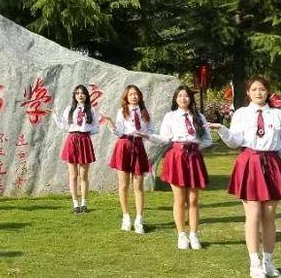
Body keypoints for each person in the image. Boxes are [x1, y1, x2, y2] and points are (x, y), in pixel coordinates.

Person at [209, 76, 281, 278]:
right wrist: (222, 130)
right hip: (249, 163)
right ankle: (254, 263)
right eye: (254, 89)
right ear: (248, 93)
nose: (258, 93)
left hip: (272, 164)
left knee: (269, 215)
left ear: (268, 92)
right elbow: (235, 141)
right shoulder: (241, 114)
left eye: (262, 89)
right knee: (253, 214)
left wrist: (270, 153)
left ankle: (268, 260)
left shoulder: (279, 115)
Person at [156, 85, 214, 249]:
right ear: (176, 99)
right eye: (180, 96)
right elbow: (164, 138)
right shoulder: (170, 116)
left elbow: (208, 140)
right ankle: (181, 235)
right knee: (179, 199)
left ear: (191, 99)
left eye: (186, 96)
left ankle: (194, 235)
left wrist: (194, 149)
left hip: (193, 157)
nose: (183, 99)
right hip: (176, 157)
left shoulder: (199, 117)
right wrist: (148, 136)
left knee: (193, 199)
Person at [107, 85, 164, 234]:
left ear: (140, 96)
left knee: (138, 185)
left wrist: (149, 136)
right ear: (126, 97)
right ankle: (126, 217)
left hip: (138, 147)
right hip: (124, 145)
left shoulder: (144, 112)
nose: (133, 96)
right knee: (123, 185)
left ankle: (139, 219)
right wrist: (111, 124)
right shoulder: (122, 112)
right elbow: (119, 131)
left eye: (136, 94)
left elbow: (151, 131)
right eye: (131, 94)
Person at [49, 85, 99, 214]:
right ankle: (75, 203)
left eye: (82, 93)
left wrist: (86, 134)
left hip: (84, 140)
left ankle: (84, 203)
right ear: (74, 96)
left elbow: (95, 127)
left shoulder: (91, 110)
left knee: (84, 175)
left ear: (87, 95)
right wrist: (55, 116)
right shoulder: (69, 109)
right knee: (73, 175)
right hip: (72, 139)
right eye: (77, 93)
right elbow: (64, 125)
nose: (80, 95)